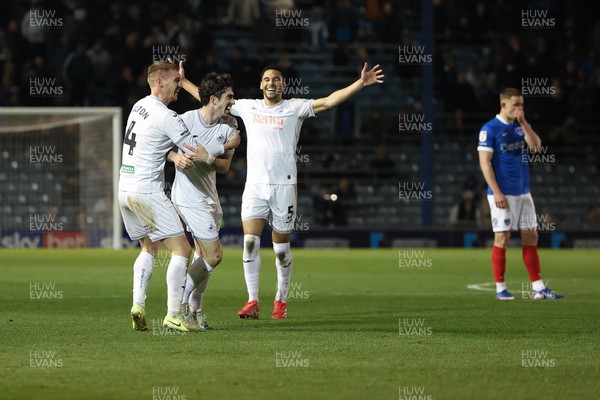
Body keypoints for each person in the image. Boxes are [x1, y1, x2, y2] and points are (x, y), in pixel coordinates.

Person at [180, 61, 384, 319]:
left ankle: (281, 298)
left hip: (284, 186)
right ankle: (252, 300)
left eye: (276, 79)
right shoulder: (248, 106)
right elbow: (212, 99)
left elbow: (329, 101)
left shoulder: (294, 107)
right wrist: (184, 81)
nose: (271, 83)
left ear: (283, 85)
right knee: (250, 243)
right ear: (261, 84)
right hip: (255, 186)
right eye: (267, 79)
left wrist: (360, 83)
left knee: (280, 249)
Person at [118, 61, 222, 333]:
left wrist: (173, 155)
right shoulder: (169, 116)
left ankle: (138, 305)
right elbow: (195, 150)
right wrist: (225, 145)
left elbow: (156, 144)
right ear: (159, 82)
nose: (179, 85)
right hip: (147, 191)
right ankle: (173, 314)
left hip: (124, 188)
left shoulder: (138, 106)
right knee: (183, 250)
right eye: (176, 80)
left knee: (147, 248)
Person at [166, 71, 241, 330]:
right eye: (229, 97)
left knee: (202, 255)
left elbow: (224, 167)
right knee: (215, 254)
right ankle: (180, 307)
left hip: (209, 197)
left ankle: (196, 309)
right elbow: (162, 147)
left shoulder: (230, 126)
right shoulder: (184, 120)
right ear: (213, 99)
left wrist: (207, 157)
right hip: (187, 197)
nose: (233, 101)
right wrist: (176, 157)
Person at [477, 87, 563, 300]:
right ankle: (500, 289)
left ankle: (538, 288)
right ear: (503, 104)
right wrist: (496, 192)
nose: (519, 108)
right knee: (503, 237)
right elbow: (485, 164)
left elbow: (536, 147)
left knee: (531, 236)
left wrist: (524, 123)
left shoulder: (519, 126)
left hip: (524, 192)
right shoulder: (490, 129)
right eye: (515, 104)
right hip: (502, 194)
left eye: (522, 104)